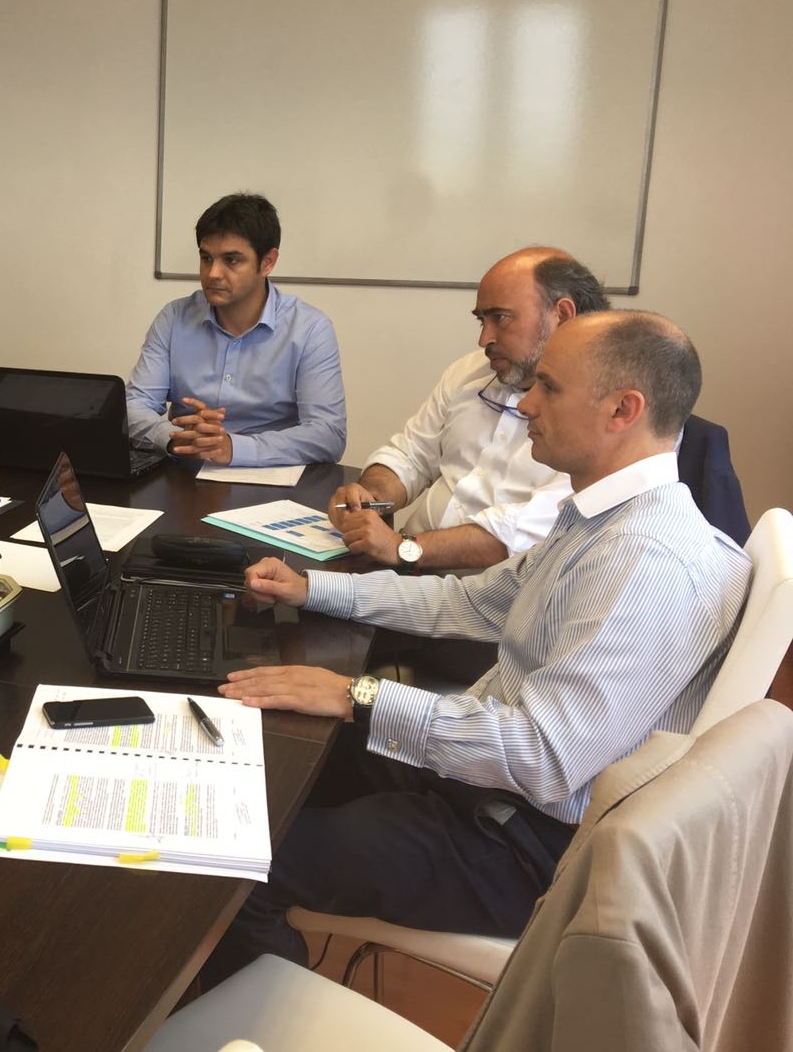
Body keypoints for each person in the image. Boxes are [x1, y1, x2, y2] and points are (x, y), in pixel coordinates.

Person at [197, 310, 751, 985]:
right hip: (486, 790)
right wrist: (311, 589)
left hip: (523, 846)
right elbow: (470, 602)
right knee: (270, 757)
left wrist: (358, 695)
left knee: (230, 858)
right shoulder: (602, 518)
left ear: (622, 411)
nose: (526, 404)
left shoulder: (645, 563)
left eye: (549, 387)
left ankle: (254, 1017)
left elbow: (545, 757)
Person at [330, 247, 607, 572]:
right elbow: (412, 454)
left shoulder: (603, 412)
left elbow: (532, 530)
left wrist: (403, 548)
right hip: (405, 565)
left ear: (562, 315)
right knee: (292, 586)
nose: (484, 338)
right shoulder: (470, 371)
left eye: (500, 318)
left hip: (483, 589)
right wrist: (370, 498)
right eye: (481, 320)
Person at [125, 193, 346, 468]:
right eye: (206, 258)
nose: (213, 273)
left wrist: (232, 447)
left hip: (271, 480)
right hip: (186, 476)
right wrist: (175, 437)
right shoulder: (174, 318)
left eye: (231, 260)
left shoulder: (310, 329)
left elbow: (328, 434)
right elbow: (134, 405)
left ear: (268, 262)